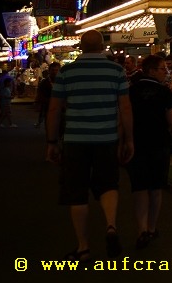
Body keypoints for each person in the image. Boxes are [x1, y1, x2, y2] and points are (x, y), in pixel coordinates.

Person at [46, 29, 134, 261]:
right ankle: (111, 225)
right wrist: (129, 139)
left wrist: (52, 141)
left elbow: (54, 109)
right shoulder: (116, 71)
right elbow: (125, 108)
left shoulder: (66, 72)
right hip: (106, 139)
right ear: (102, 47)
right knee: (108, 184)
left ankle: (83, 247)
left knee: (76, 191)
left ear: (81, 47)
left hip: (75, 140)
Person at [124, 54, 172, 249]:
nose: (166, 72)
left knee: (139, 188)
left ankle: (141, 229)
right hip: (158, 144)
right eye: (163, 69)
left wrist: (123, 141)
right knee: (155, 188)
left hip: (136, 144)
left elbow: (123, 118)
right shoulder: (163, 92)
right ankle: (152, 228)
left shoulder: (131, 91)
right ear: (152, 71)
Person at [34, 62, 61, 129]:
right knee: (49, 126)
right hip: (48, 107)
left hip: (60, 108)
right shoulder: (44, 82)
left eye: (56, 70)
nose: (55, 72)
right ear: (49, 71)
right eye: (53, 70)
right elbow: (40, 95)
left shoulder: (62, 82)